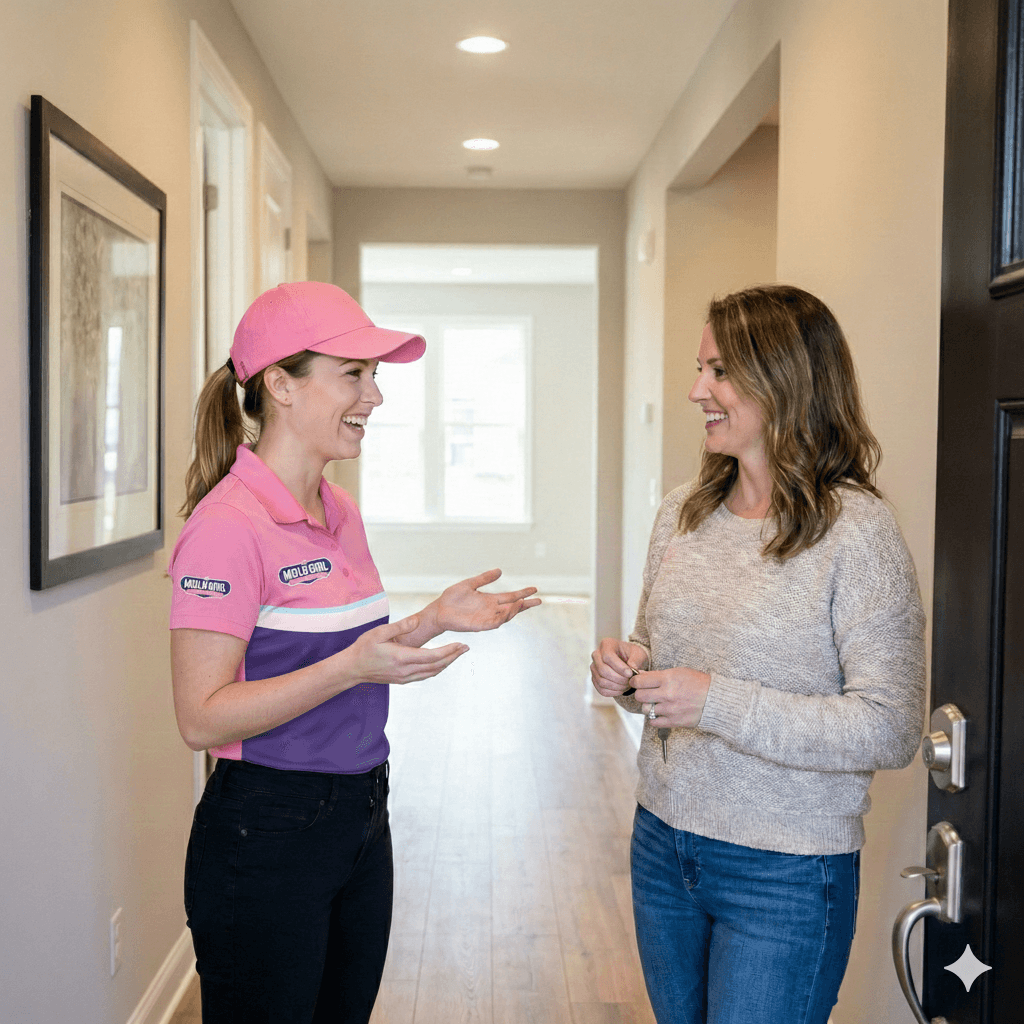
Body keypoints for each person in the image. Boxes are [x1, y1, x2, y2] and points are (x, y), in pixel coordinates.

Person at [169, 281, 539, 1024]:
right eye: (353, 374)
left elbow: (348, 648)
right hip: (268, 827)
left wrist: (432, 618)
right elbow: (202, 718)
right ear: (281, 384)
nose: (374, 395)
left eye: (374, 375)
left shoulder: (339, 510)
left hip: (362, 810)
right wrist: (351, 669)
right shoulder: (228, 526)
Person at [590, 285, 925, 1024]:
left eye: (719, 371)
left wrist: (716, 701)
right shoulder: (684, 512)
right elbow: (657, 650)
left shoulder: (858, 534)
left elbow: (890, 726)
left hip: (785, 873)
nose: (696, 391)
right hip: (664, 845)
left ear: (784, 378)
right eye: (699, 369)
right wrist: (627, 670)